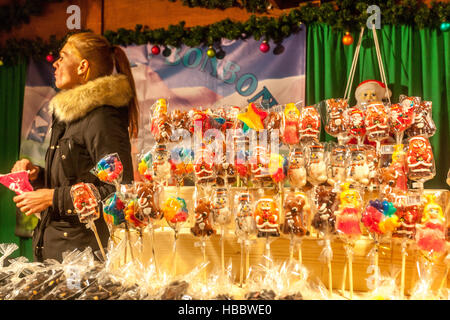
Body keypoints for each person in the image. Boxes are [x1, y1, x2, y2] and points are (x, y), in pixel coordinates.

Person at [11, 32, 138, 262]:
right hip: (57, 252)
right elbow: (75, 176)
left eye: (63, 56)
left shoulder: (102, 117)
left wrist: (53, 198)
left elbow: (118, 192)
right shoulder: (69, 116)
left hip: (84, 257)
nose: (55, 63)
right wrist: (38, 174)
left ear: (82, 67)